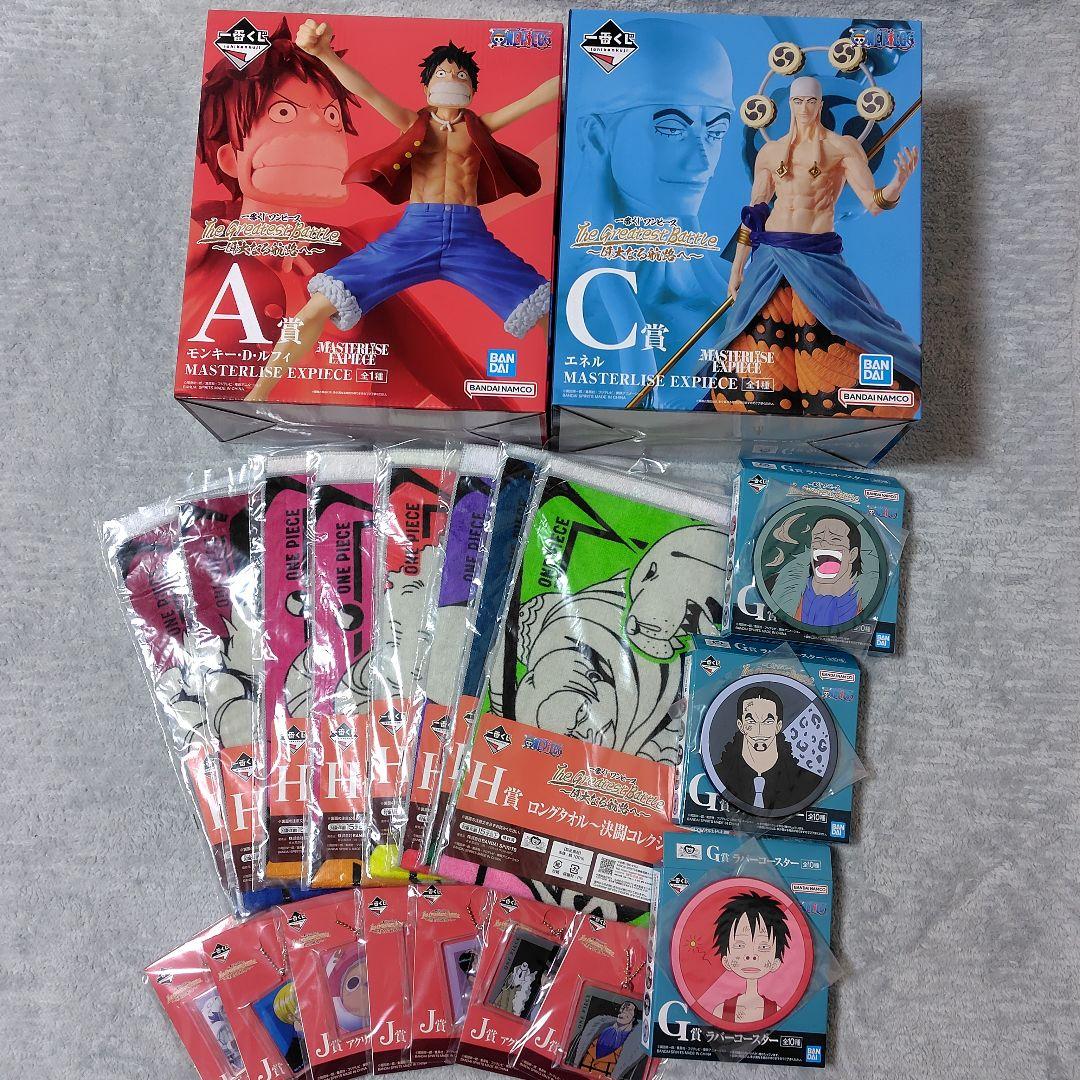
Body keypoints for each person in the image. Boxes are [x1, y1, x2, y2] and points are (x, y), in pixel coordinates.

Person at [246, 21, 557, 403]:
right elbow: (367, 92)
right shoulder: (414, 123)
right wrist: (324, 53)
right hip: (416, 231)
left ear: (472, 90)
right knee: (319, 304)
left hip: (469, 236)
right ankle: (258, 394)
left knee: (543, 306)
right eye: (443, 73)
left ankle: (570, 390)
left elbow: (535, 98)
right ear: (427, 87)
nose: (452, 78)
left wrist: (577, 72)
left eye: (460, 75)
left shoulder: (479, 126)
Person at [698, 75, 920, 418]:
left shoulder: (842, 147)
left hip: (817, 256)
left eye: (811, 101)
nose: (804, 107)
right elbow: (753, 215)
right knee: (757, 334)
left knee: (832, 330)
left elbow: (872, 203)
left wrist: (897, 184)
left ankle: (841, 407)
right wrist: (737, 269)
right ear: (790, 104)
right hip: (771, 256)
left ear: (821, 104)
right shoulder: (770, 152)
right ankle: (763, 410)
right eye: (798, 101)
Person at [711, 687, 820, 812]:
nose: (759, 731)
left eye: (768, 721)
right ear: (741, 726)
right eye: (751, 721)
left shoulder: (807, 782)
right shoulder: (719, 774)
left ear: (778, 726)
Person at [712, 891, 791, 1025]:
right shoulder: (721, 1011)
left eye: (763, 947)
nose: (751, 955)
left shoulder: (776, 1011)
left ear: (775, 962)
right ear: (726, 960)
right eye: (740, 945)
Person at [566, 1000, 647, 1079]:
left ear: (633, 1018)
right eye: (623, 1008)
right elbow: (570, 1057)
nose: (624, 1011)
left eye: (629, 1010)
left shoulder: (637, 1048)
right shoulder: (591, 1030)